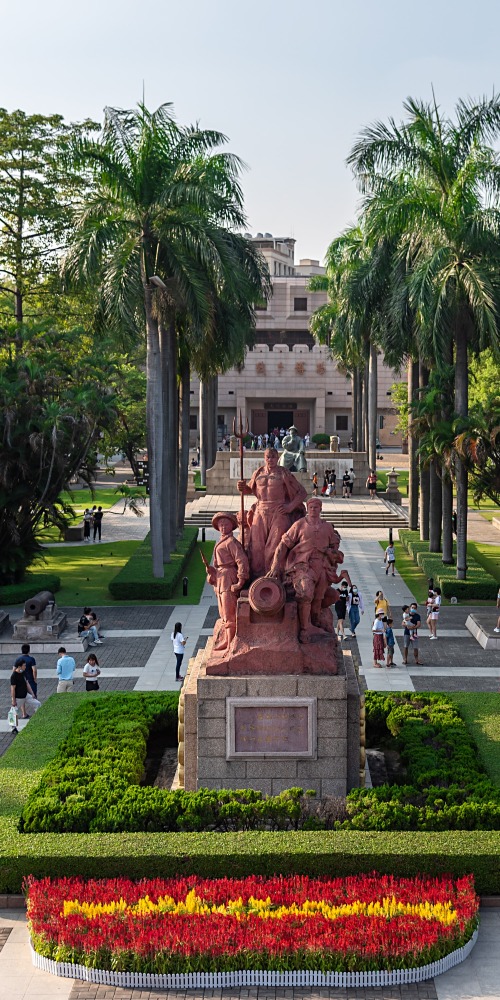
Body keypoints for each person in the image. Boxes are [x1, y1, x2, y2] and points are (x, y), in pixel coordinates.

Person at [268, 497, 342, 641]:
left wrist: (331, 553)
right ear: (307, 509)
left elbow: (335, 548)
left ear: (321, 509)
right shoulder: (300, 524)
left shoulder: (327, 527)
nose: (313, 510)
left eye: (316, 507)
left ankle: (315, 625)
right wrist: (275, 565)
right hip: (302, 565)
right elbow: (283, 545)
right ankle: (305, 630)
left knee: (318, 599)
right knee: (306, 593)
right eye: (311, 507)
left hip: (322, 567)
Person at [237, 447, 307, 578]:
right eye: (268, 457)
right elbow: (249, 490)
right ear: (264, 458)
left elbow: (302, 493)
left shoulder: (283, 473)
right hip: (261, 510)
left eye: (273, 457)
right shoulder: (258, 473)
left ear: (278, 458)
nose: (271, 459)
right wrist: (242, 487)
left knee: (275, 545)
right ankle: (256, 578)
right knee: (256, 545)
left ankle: (274, 577)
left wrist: (290, 507)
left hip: (279, 511)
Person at [206, 512, 249, 650]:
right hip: (220, 578)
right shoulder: (221, 541)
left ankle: (231, 644)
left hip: (228, 576)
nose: (223, 527)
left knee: (229, 610)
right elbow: (217, 563)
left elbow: (241, 560)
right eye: (221, 525)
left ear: (232, 526)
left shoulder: (231, 542)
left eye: (226, 524)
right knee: (223, 611)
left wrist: (240, 580)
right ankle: (226, 639)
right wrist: (212, 573)